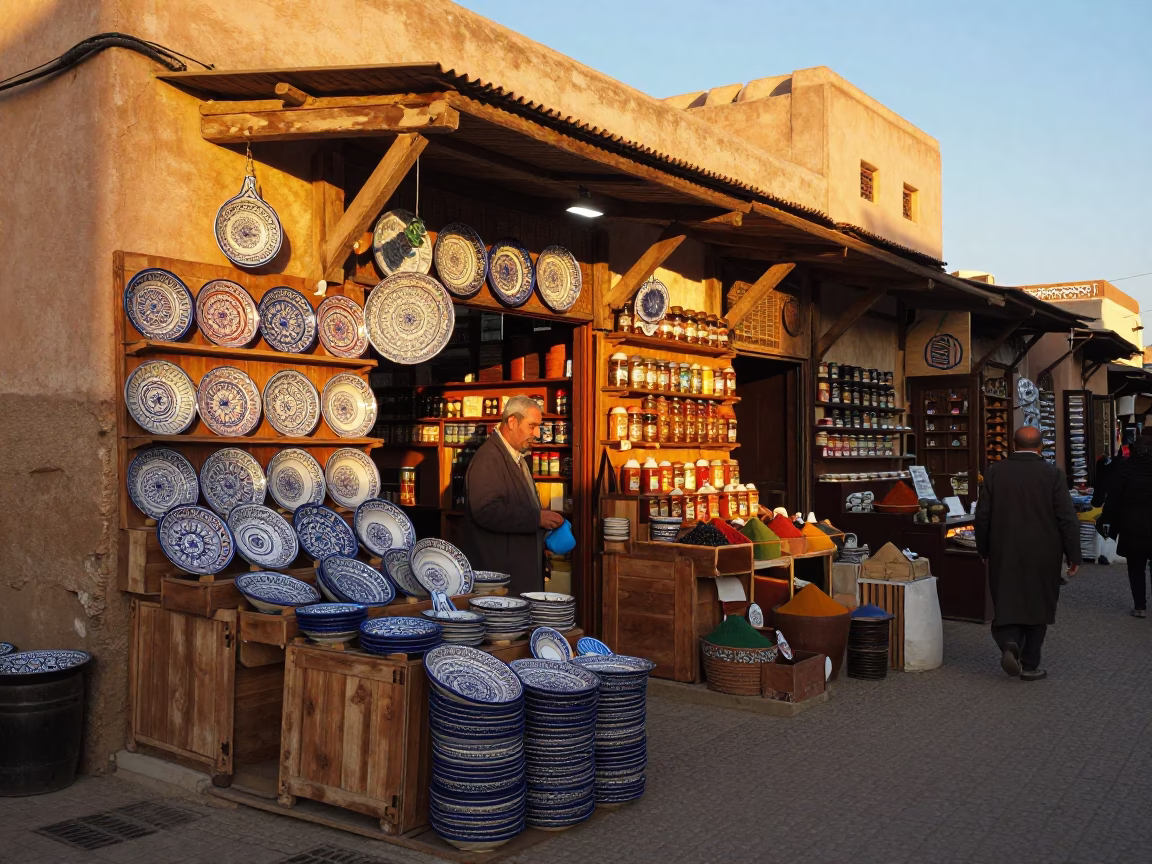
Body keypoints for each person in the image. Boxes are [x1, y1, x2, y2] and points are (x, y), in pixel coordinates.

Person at [974, 425, 1081, 681]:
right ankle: (1030, 664)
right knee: (1038, 603)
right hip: (1044, 551)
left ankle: (1010, 642)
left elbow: (983, 516)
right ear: (1041, 447)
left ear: (1013, 444)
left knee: (1007, 597)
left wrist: (983, 548)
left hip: (1005, 548)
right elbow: (1067, 518)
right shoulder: (1053, 474)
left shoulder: (995, 472)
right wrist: (1073, 555)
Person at [462, 395, 565, 595]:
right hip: (500, 580)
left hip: (517, 574)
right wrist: (537, 519)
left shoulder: (518, 458)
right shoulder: (488, 459)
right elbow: (486, 511)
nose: (537, 433)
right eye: (532, 426)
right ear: (512, 422)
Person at [1100, 427, 1152, 618]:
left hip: (1132, 523)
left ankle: (1140, 606)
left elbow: (1113, 496)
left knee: (1136, 565)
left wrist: (1106, 519)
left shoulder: (1125, 466)